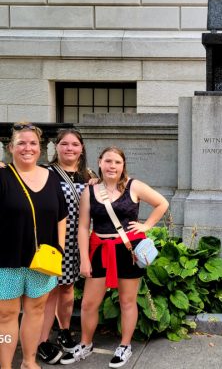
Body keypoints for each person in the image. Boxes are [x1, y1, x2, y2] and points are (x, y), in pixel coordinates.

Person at [60, 146, 168, 368]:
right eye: (108, 161)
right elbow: (82, 227)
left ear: (123, 165)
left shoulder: (133, 186)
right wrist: (84, 259)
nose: (112, 166)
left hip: (128, 249)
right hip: (100, 249)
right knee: (90, 303)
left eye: (117, 162)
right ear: (99, 163)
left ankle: (125, 345)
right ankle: (86, 343)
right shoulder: (90, 191)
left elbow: (162, 203)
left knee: (127, 301)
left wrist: (146, 225)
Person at [0, 122, 67, 369]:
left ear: (40, 148)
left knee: (35, 311)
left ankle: (29, 362)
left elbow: (62, 215)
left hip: (42, 260)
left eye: (32, 143)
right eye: (21, 143)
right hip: (6, 261)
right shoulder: (2, 175)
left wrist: (59, 248)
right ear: (11, 147)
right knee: (5, 316)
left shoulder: (51, 177)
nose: (27, 148)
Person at [36, 129, 97, 364]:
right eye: (64, 144)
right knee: (49, 291)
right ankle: (41, 340)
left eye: (74, 144)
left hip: (77, 240)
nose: (69, 148)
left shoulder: (88, 175)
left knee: (67, 289)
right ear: (56, 147)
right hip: (53, 240)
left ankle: (63, 331)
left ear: (81, 149)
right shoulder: (45, 173)